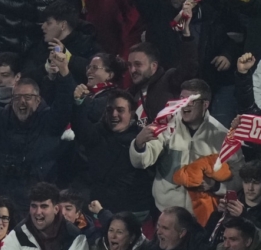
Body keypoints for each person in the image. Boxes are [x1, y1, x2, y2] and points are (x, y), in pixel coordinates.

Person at [0, 48, 75, 209]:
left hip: (39, 206)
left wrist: (64, 72)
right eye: (17, 97)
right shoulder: (0, 119)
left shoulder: (50, 121)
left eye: (28, 97)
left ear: (38, 100)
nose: (21, 102)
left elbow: (65, 102)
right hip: (5, 205)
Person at [130, 79, 239, 213]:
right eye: (181, 99)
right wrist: (139, 144)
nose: (184, 105)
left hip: (203, 216)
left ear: (205, 104)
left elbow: (239, 175)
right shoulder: (166, 125)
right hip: (166, 211)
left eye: (191, 100)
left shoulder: (221, 135)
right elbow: (143, 161)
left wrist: (216, 186)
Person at [71, 88, 156, 219]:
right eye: (109, 110)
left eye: (120, 110)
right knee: (80, 226)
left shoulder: (142, 138)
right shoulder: (97, 134)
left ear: (132, 113)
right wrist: (78, 102)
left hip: (134, 214)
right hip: (98, 210)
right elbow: (80, 126)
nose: (114, 114)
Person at [126, 41, 198, 126]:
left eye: (138, 64)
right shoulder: (129, 94)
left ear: (153, 66)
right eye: (130, 65)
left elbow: (189, 68)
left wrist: (187, 38)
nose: (132, 70)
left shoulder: (169, 79)